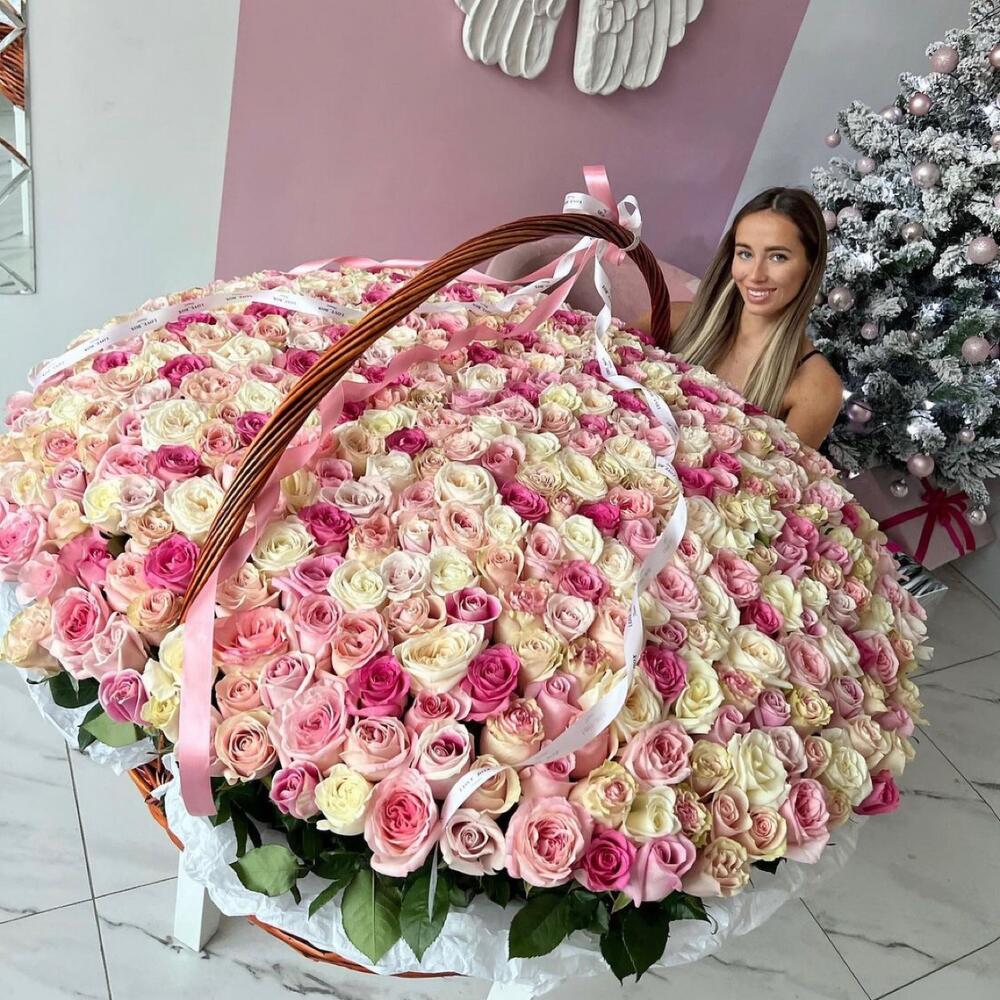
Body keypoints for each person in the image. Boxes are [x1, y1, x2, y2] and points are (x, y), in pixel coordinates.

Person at [667, 187, 843, 449]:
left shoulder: (817, 386)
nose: (756, 275)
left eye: (777, 257)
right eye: (745, 254)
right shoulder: (675, 319)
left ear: (810, 265)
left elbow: (780, 476)